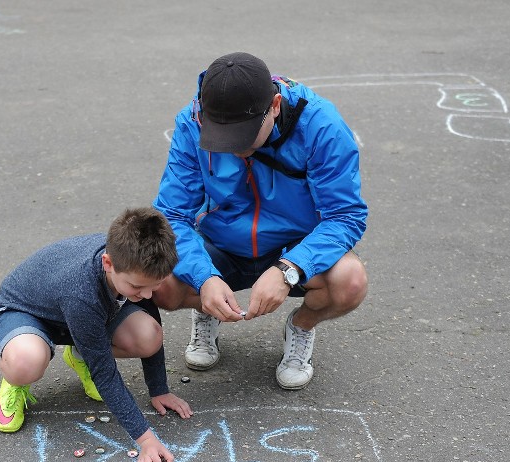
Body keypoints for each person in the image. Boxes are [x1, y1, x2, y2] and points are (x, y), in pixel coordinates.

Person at [152, 52, 368, 389]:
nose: (236, 151)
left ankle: (302, 325)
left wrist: (289, 268)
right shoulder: (191, 121)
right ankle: (209, 306)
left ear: (276, 106)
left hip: (292, 246)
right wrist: (204, 276)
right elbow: (171, 215)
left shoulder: (322, 126)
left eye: (245, 137)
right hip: (219, 243)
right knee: (158, 279)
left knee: (350, 281)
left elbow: (345, 216)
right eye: (222, 141)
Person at [0, 207, 193, 462]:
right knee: (26, 361)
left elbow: (147, 305)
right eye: (137, 288)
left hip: (84, 315)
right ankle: (14, 379)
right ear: (108, 263)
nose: (145, 295)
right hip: (28, 312)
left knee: (148, 336)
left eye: (151, 286)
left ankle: (82, 350)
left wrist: (159, 388)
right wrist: (146, 440)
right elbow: (105, 374)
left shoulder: (135, 262)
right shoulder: (82, 291)